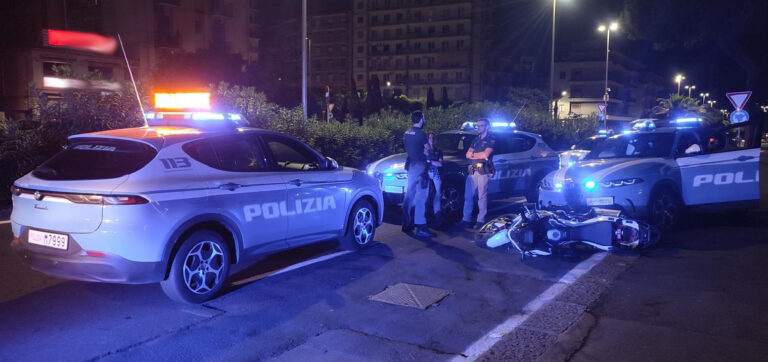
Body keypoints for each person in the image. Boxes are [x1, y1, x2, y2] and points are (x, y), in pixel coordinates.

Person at [402, 111, 437, 237]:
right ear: (421, 119)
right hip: (421, 167)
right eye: (424, 117)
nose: (424, 120)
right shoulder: (421, 134)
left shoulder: (407, 133)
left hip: (411, 165)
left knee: (409, 195)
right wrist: (431, 152)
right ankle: (421, 226)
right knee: (421, 196)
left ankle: (406, 224)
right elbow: (429, 149)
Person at [462, 118, 496, 229]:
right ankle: (466, 219)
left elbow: (485, 155)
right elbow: (467, 154)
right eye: (478, 125)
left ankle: (480, 220)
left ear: (487, 127)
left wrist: (474, 155)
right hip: (472, 168)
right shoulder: (476, 139)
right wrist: (476, 155)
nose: (478, 127)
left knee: (482, 197)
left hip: (483, 170)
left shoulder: (491, 139)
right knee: (468, 196)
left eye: (481, 125)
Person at [426, 132, 444, 226]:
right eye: (430, 138)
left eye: (433, 138)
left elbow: (440, 164)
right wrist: (434, 162)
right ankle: (427, 217)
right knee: (427, 195)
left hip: (435, 173)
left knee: (438, 194)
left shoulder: (438, 151)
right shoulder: (424, 150)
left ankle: (437, 216)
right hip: (426, 175)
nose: (431, 139)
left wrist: (430, 161)